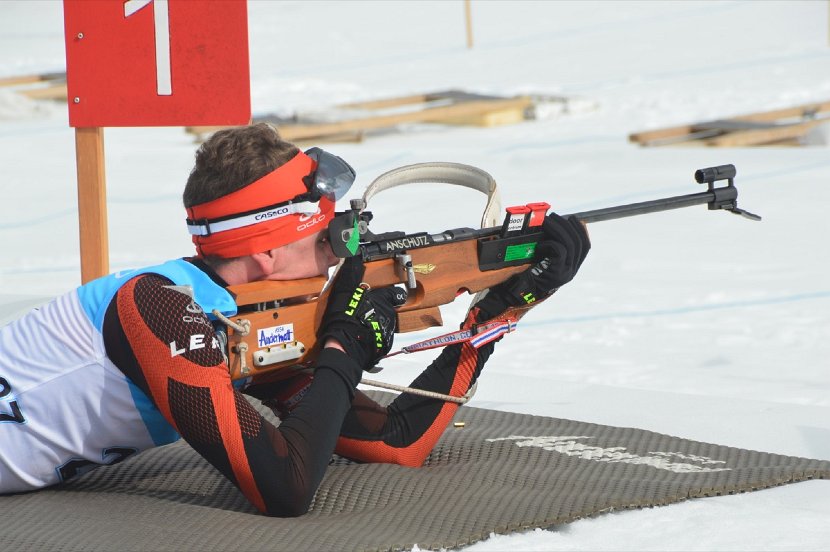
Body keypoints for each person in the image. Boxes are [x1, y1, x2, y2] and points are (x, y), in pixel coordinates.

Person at [0, 123, 590, 516]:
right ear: (266, 251)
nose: (342, 254)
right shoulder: (161, 309)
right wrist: (344, 348)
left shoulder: (250, 322)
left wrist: (502, 309)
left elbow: (397, 443)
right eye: (330, 239)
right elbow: (284, 490)